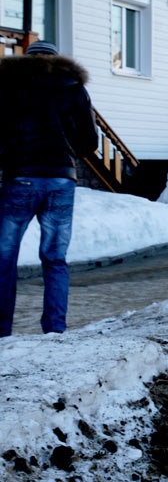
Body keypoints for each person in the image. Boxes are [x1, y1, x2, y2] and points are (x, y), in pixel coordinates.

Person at [0, 41, 98, 337]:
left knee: (5, 258)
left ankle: (2, 331)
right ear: (58, 60)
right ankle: (55, 330)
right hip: (60, 181)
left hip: (20, 179)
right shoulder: (73, 87)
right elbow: (89, 142)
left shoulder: (8, 86)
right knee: (55, 258)